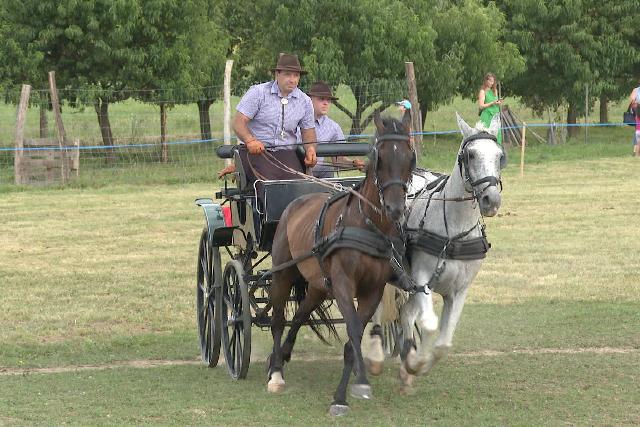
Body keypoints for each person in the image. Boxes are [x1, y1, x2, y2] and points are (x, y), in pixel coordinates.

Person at [227, 53, 317, 183]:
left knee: (300, 186)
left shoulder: (305, 101)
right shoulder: (258, 93)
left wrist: (310, 149)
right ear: (277, 74)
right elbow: (238, 122)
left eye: (296, 75)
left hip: (287, 155)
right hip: (257, 154)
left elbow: (308, 131)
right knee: (270, 187)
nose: (292, 80)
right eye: (287, 74)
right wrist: (250, 141)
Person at [301, 81, 365, 178]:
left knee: (327, 170)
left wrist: (353, 164)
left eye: (328, 100)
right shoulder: (296, 119)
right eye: (321, 99)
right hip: (295, 168)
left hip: (318, 172)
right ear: (310, 99)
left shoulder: (333, 127)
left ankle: (328, 192)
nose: (326, 103)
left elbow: (338, 160)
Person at [478, 72, 503, 145]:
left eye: (493, 81)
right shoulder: (482, 92)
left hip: (495, 115)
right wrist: (492, 103)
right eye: (490, 81)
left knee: (497, 135)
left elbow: (496, 102)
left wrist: (498, 102)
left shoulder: (495, 91)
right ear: (486, 81)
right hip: (487, 115)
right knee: (487, 135)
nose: (492, 83)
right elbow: (481, 106)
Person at [629, 85, 640, 157]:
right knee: (638, 134)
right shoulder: (636, 90)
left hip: (638, 113)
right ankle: (636, 152)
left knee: (638, 133)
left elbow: (633, 100)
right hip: (638, 113)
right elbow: (632, 100)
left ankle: (635, 152)